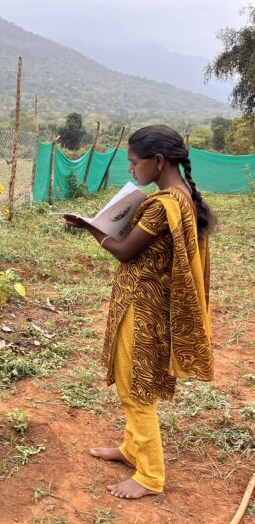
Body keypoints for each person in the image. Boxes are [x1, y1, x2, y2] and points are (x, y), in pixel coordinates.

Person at [63, 124, 214, 499]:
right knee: (132, 377)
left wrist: (91, 228)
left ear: (158, 160)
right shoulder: (183, 198)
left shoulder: (164, 205)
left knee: (135, 386)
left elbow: (125, 249)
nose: (130, 169)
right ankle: (132, 449)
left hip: (144, 308)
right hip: (150, 303)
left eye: (134, 162)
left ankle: (149, 475)